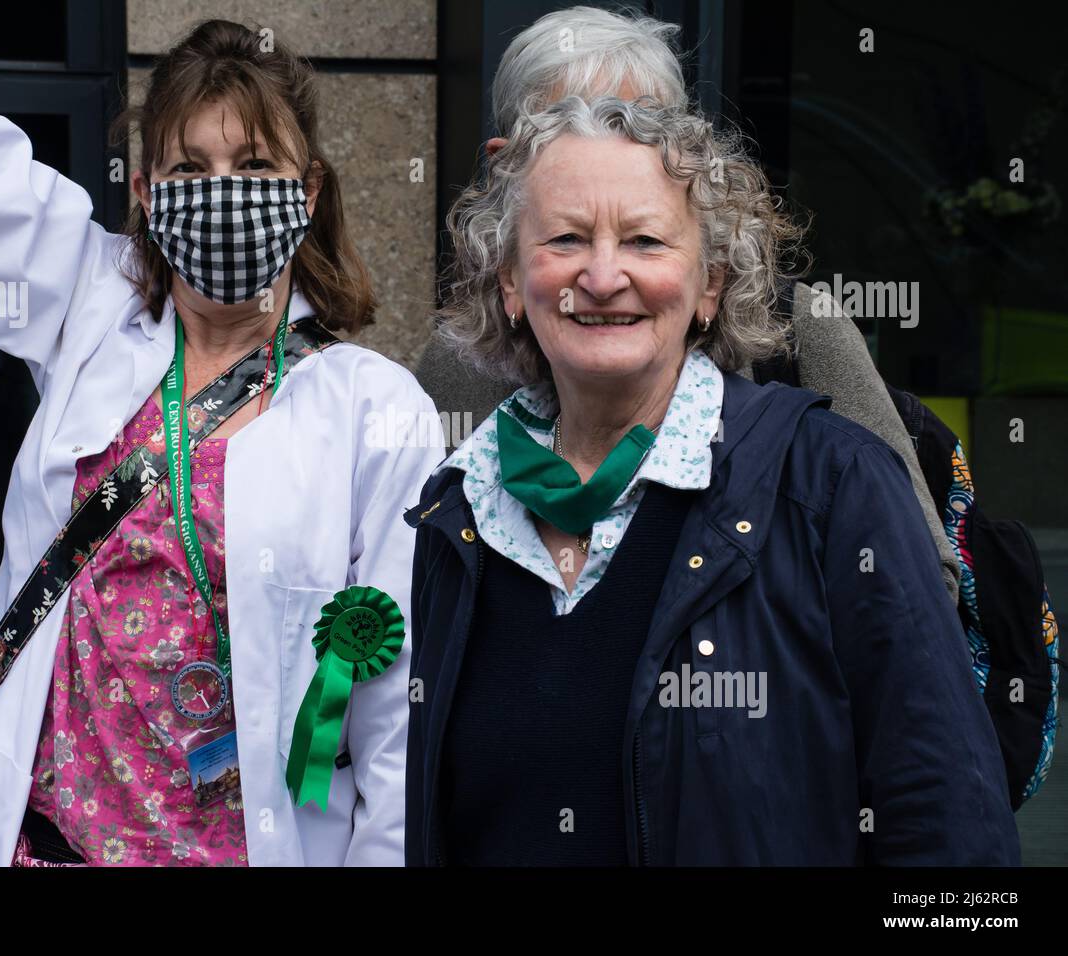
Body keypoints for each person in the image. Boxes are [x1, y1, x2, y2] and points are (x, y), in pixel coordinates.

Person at [403, 95, 1018, 865]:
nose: (602, 274)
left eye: (645, 240)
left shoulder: (832, 483)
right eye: (565, 238)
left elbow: (945, 816)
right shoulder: (459, 507)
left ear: (710, 288)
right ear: (509, 284)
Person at [0, 4, 441, 865]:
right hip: (43, 846)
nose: (224, 190)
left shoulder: (376, 411)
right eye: (191, 167)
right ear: (148, 191)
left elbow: (394, 728)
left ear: (307, 192)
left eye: (255, 164)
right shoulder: (89, 307)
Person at [414, 5, 960, 604]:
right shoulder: (456, 362)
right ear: (503, 166)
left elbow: (914, 581)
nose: (613, 153)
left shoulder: (799, 328)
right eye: (570, 128)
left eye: (643, 129)